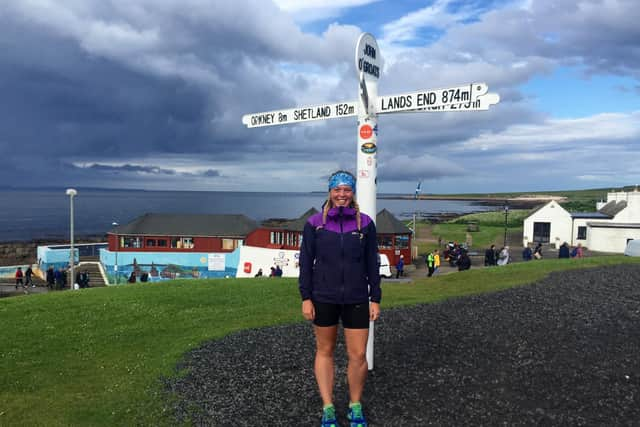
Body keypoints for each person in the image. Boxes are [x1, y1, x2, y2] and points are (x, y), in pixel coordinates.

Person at [299, 170, 381, 427]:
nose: (342, 194)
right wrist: (306, 297)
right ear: (330, 192)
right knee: (325, 350)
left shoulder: (365, 224)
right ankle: (328, 407)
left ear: (353, 192)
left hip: (356, 297)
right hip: (323, 297)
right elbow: (305, 263)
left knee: (357, 355)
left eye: (347, 189)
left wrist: (375, 298)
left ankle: (355, 406)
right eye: (337, 189)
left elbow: (372, 263)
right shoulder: (315, 224)